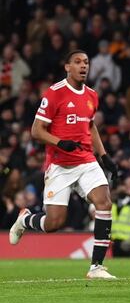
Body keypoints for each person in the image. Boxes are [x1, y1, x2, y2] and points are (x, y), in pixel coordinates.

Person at [9, 50, 119, 279]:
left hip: (86, 160)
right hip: (60, 165)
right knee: (54, 223)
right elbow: (36, 130)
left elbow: (90, 126)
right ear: (67, 67)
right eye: (77, 62)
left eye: (86, 62)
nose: (83, 66)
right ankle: (25, 219)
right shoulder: (55, 93)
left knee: (104, 202)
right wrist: (60, 143)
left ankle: (96, 267)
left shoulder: (92, 95)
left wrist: (104, 155)